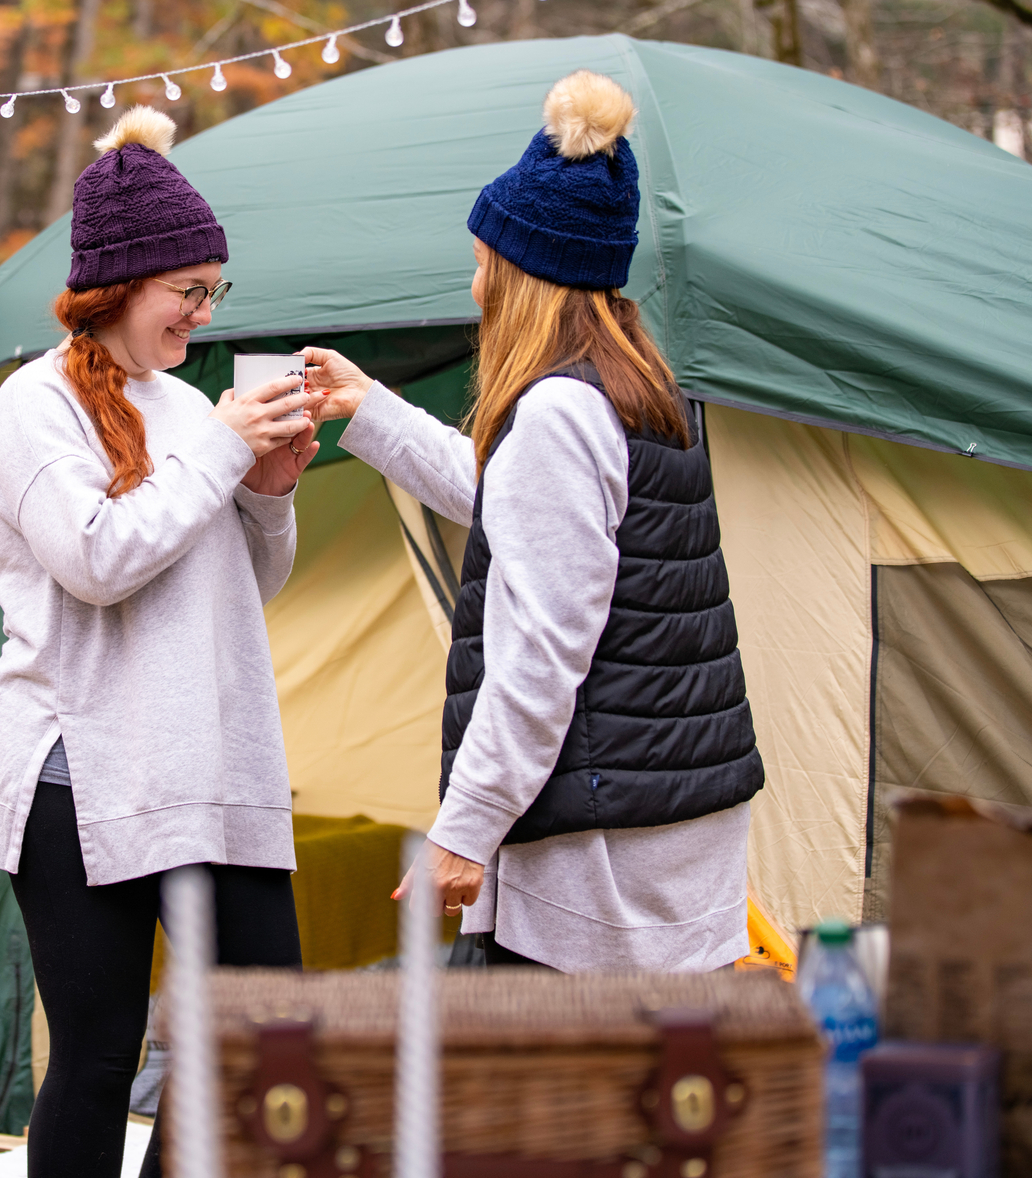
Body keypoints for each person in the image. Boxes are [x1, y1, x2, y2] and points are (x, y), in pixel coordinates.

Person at [305, 70, 763, 973]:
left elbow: (546, 652)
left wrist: (464, 829)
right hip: (668, 825)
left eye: (486, 264)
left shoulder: (559, 413)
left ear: (527, 277)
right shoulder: (638, 389)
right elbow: (517, 512)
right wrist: (368, 408)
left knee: (549, 1109)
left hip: (602, 855)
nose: (475, 288)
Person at [0, 105, 320, 1178]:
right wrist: (221, 453)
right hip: (82, 776)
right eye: (189, 292)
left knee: (263, 1043)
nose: (202, 315)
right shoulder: (32, 406)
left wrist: (269, 493)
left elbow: (234, 588)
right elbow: (96, 557)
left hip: (209, 767)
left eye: (214, 293)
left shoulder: (184, 407)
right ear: (123, 283)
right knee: (97, 1057)